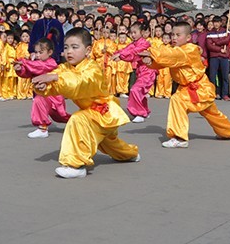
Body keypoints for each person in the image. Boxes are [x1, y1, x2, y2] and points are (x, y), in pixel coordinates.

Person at [31, 27, 139, 178]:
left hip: (104, 112)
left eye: (75, 47)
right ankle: (131, 154)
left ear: (88, 50)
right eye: (66, 47)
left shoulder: (92, 69)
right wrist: (44, 87)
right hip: (95, 115)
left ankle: (76, 165)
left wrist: (55, 79)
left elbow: (80, 83)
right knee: (109, 143)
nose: (69, 51)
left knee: (77, 119)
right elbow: (58, 80)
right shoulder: (66, 68)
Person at [140, 20, 230, 148]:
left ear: (188, 37)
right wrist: (150, 61)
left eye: (178, 35)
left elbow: (171, 56)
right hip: (191, 87)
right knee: (210, 111)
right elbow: (167, 60)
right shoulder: (176, 49)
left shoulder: (189, 49)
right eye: (173, 35)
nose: (174, 38)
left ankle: (179, 137)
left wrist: (152, 53)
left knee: (177, 100)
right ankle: (229, 132)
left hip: (198, 87)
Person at [15, 37, 71, 138]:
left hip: (54, 98)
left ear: (50, 52)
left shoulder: (51, 63)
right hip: (43, 96)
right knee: (38, 100)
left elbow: (39, 67)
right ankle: (42, 128)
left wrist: (24, 62)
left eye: (41, 52)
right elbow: (28, 72)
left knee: (62, 116)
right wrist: (20, 69)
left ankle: (77, 123)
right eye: (36, 52)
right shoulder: (36, 63)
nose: (37, 55)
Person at [111, 20, 157, 122]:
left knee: (135, 90)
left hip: (148, 71)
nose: (133, 35)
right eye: (131, 33)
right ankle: (145, 110)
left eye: (135, 32)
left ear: (142, 32)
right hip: (141, 71)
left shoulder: (144, 43)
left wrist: (121, 56)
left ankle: (139, 113)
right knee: (140, 92)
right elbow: (127, 49)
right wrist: (118, 53)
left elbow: (134, 52)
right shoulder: (134, 43)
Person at [205, 17, 230, 100]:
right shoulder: (209, 33)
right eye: (214, 22)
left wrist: (215, 43)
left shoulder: (226, 31)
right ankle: (214, 93)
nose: (216, 24)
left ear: (220, 23)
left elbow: (227, 41)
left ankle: (224, 94)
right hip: (214, 57)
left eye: (218, 22)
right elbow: (209, 46)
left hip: (224, 56)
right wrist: (220, 49)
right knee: (212, 76)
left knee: (224, 76)